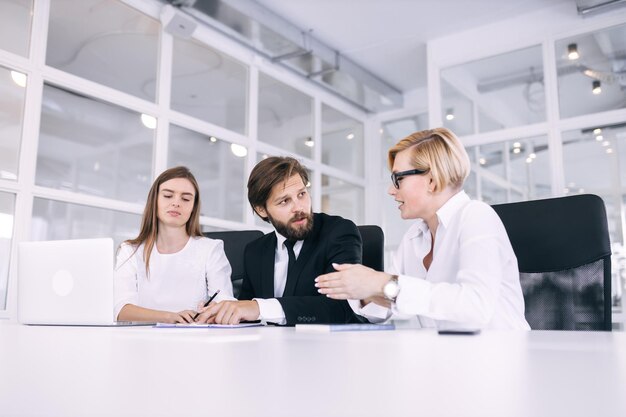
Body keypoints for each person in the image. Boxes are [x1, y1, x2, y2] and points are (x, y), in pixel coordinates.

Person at [315, 128, 530, 330]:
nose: (391, 190)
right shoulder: (415, 237)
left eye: (398, 178)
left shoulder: (476, 216)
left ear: (432, 180)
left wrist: (381, 283)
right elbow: (389, 304)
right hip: (448, 357)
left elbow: (475, 306)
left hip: (500, 358)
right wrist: (363, 289)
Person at [195, 156, 364, 325]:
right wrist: (223, 312)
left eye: (302, 194)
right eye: (284, 201)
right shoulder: (255, 250)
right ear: (261, 210)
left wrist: (259, 308)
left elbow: (341, 308)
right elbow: (246, 310)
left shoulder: (339, 232)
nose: (299, 207)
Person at [114, 166, 234, 323]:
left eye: (185, 199)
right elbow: (121, 309)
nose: (176, 203)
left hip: (194, 339)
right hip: (142, 340)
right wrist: (171, 317)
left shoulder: (211, 249)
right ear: (154, 200)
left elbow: (225, 302)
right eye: (168, 196)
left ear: (193, 207)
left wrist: (213, 308)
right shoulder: (129, 250)